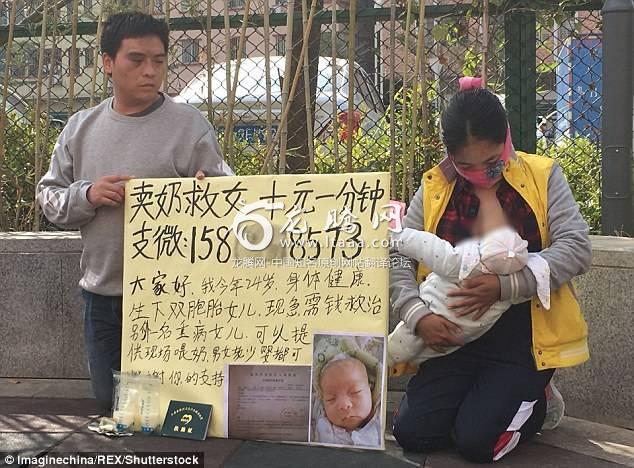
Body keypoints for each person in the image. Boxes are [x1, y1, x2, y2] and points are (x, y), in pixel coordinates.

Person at [37, 12, 233, 410]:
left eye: (159, 61)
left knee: (171, 413)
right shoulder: (80, 128)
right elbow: (50, 198)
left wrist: (209, 195)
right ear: (108, 62)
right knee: (115, 409)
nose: (150, 71)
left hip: (173, 297)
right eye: (137, 60)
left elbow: (229, 195)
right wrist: (88, 194)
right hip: (102, 295)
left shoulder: (189, 126)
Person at [390, 76, 591, 462]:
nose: (482, 173)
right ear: (448, 154)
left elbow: (577, 247)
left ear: (507, 139)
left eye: (493, 161)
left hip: (522, 340)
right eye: (466, 165)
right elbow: (400, 252)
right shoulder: (434, 187)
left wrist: (506, 286)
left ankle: (538, 401)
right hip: (453, 336)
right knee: (412, 433)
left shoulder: (543, 175)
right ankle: (486, 400)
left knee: (476, 443)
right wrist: (416, 316)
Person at [388, 225, 550, 374]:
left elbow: (424, 245)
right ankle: (408, 363)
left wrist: (393, 234)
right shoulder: (513, 293)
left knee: (396, 348)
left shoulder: (461, 262)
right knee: (425, 354)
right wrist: (509, 285)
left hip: (432, 312)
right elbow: (540, 280)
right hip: (460, 336)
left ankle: (380, 364)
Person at [311, 336, 383, 447]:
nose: (344, 405)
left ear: (371, 389)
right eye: (331, 399)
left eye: (355, 392)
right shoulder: (320, 417)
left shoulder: (378, 419)